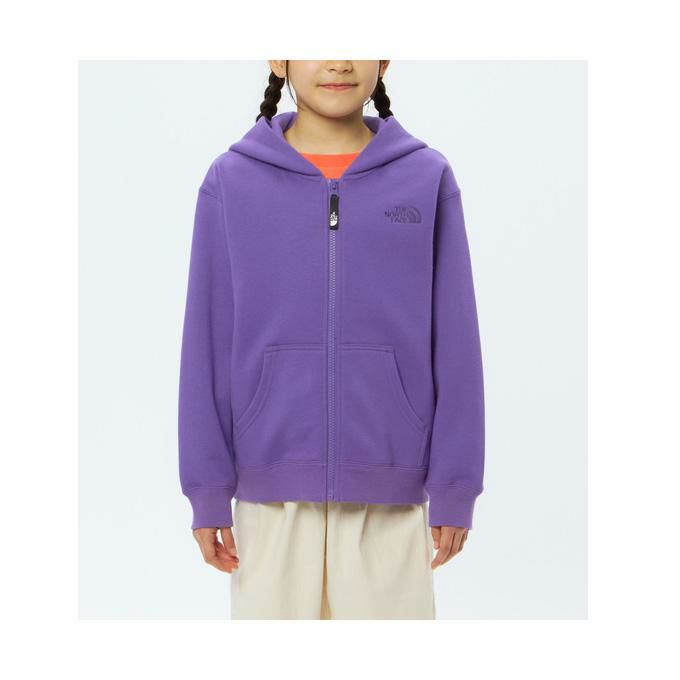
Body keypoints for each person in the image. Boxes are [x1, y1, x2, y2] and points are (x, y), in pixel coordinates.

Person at [178, 60, 485, 619]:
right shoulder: (233, 181)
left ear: (384, 59)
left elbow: (457, 342)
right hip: (270, 500)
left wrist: (455, 485)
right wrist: (206, 489)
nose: (340, 60)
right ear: (279, 58)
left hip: (391, 496)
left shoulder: (425, 178)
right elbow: (207, 341)